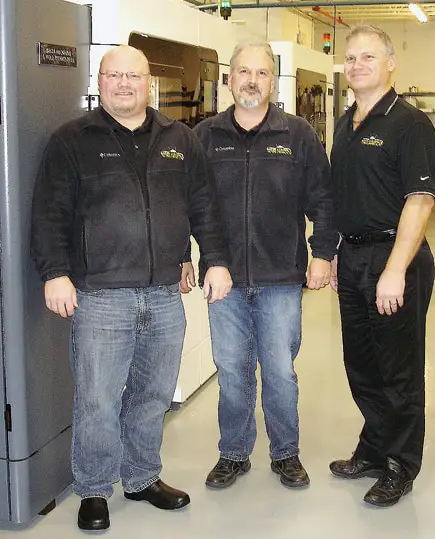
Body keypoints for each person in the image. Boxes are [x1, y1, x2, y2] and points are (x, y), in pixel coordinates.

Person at [31, 45, 232, 531]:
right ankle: (95, 488)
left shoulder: (178, 138)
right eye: (114, 75)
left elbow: (202, 204)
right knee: (97, 398)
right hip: (100, 295)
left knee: (154, 392)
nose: (124, 84)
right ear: (100, 81)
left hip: (164, 292)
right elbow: (50, 211)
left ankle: (141, 477)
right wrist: (54, 272)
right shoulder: (72, 139)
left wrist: (216, 260)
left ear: (150, 84)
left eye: (134, 76)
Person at [187, 40, 338, 490]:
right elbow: (190, 205)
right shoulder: (205, 137)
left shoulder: (297, 136)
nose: (252, 81)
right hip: (224, 278)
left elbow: (323, 201)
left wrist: (323, 254)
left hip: (280, 278)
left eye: (262, 73)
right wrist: (192, 257)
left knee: (279, 372)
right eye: (243, 72)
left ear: (273, 81)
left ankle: (285, 453)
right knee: (232, 372)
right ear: (229, 79)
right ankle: (233, 454)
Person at [329, 25, 435, 507]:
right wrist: (333, 251)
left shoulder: (410, 124)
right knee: (362, 364)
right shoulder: (345, 121)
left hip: (396, 258)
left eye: (367, 58)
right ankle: (373, 448)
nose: (356, 66)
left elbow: (419, 201)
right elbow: (340, 195)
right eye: (350, 59)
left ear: (391, 63)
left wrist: (395, 269)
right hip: (352, 257)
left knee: (399, 371)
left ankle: (400, 464)